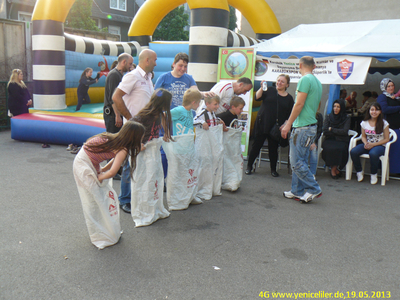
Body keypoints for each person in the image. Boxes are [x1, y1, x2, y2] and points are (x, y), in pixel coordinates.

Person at [72, 120, 145, 248]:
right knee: (95, 200)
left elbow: (114, 160)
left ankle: (105, 230)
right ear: (134, 138)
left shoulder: (114, 139)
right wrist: (101, 176)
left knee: (99, 199)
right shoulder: (122, 148)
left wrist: (102, 170)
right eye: (140, 138)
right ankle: (101, 234)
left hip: (86, 162)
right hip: (83, 165)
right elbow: (113, 172)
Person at [112, 49, 157, 213]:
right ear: (147, 61)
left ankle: (135, 196)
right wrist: (130, 120)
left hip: (145, 129)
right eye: (155, 60)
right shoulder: (132, 76)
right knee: (129, 164)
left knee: (140, 163)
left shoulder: (149, 78)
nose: (156, 63)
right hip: (133, 129)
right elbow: (116, 97)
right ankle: (124, 200)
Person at [281, 56, 322, 203]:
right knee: (301, 161)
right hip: (310, 126)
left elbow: (299, 104)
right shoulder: (317, 82)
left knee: (296, 162)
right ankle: (296, 190)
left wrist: (288, 124)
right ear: (314, 66)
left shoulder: (305, 80)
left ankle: (314, 189)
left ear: (300, 65)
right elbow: (316, 106)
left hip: (302, 127)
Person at [246, 74, 294, 177]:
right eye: (278, 80)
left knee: (273, 149)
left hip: (276, 127)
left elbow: (289, 115)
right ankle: (249, 166)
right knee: (256, 146)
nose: (279, 83)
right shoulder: (269, 90)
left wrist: (286, 124)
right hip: (262, 123)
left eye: (282, 81)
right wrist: (262, 88)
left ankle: (273, 169)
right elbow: (257, 97)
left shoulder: (289, 98)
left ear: (287, 85)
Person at [350, 103, 390, 184]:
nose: (374, 112)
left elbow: (386, 139)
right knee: (353, 151)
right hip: (368, 144)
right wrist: (365, 143)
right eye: (372, 110)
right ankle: (359, 171)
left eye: (376, 110)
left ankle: (373, 174)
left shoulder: (384, 123)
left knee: (373, 153)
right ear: (369, 111)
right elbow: (363, 136)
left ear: (380, 112)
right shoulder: (364, 123)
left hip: (379, 146)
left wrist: (373, 145)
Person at [103, 53, 133, 134]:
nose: (130, 66)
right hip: (112, 114)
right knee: (113, 140)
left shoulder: (120, 75)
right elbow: (113, 98)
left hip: (116, 113)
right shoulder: (114, 75)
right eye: (130, 64)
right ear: (124, 62)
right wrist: (117, 115)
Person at [321, 99, 351, 179]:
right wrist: (335, 131)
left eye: (338, 107)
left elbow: (345, 131)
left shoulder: (346, 118)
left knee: (339, 148)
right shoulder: (329, 117)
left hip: (341, 140)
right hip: (330, 139)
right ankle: (335, 170)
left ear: (342, 108)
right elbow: (325, 130)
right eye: (334, 106)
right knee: (329, 148)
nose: (336, 109)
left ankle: (333, 170)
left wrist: (332, 129)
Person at [309, 111, 323, 177]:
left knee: (313, 151)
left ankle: (312, 173)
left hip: (313, 140)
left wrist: (314, 142)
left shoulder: (319, 116)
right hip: (303, 139)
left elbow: (319, 131)